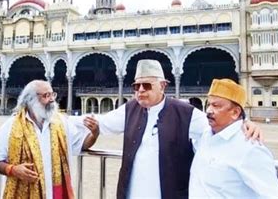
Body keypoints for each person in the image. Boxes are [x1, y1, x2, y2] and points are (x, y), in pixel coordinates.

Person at [82, 59, 262, 199]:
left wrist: (244, 122)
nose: (140, 91)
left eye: (147, 85)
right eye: (136, 86)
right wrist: (59, 121)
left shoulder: (186, 113)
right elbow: (98, 122)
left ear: (163, 86)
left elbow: (220, 125)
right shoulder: (129, 109)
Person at [0, 80, 99, 199]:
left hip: (55, 191)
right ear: (31, 100)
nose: (52, 99)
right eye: (46, 95)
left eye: (53, 94)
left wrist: (94, 134)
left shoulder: (61, 123)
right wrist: (13, 169)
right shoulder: (12, 126)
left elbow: (82, 144)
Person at [189, 78, 278, 198]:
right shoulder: (204, 135)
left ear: (235, 112)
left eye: (216, 106)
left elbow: (271, 195)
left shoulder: (249, 147)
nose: (208, 110)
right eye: (208, 104)